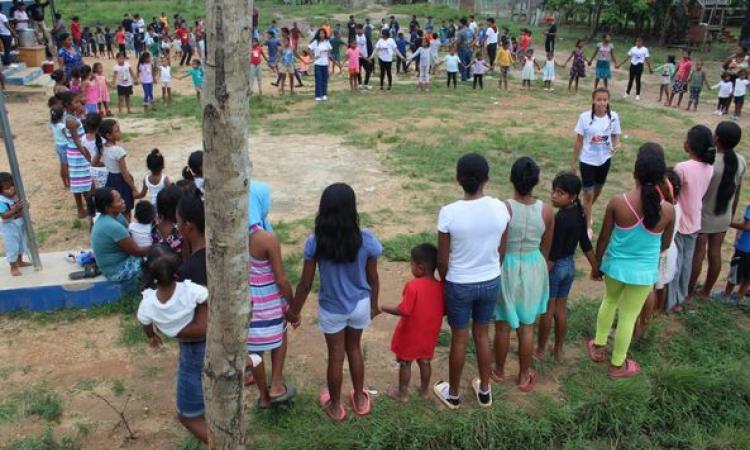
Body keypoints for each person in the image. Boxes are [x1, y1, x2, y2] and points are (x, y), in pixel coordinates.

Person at [287, 183, 382, 421]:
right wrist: (374, 304)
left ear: (324, 209)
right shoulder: (366, 239)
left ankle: (335, 406)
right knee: (355, 350)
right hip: (360, 304)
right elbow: (373, 278)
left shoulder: (315, 242)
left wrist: (294, 311)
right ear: (353, 209)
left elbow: (305, 284)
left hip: (332, 309)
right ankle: (360, 399)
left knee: (336, 356)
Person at [588, 144, 674, 377]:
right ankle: (617, 365)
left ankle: (598, 346)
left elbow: (604, 237)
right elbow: (665, 245)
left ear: (634, 174)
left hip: (615, 267)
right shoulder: (668, 210)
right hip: (644, 272)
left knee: (609, 301)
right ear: (661, 179)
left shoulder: (618, 202)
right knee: (628, 316)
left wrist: (597, 265)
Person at [433, 153, 511, 409]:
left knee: (459, 338)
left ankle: (453, 394)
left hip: (459, 283)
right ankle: (485, 391)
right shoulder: (501, 208)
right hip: (490, 280)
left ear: (458, 179)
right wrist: (489, 270)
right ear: (486, 178)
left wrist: (448, 281)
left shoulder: (449, 213)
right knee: (482, 335)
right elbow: (502, 250)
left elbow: (442, 261)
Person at [137, 244, 208, 444]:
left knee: (187, 414)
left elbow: (145, 323)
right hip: (201, 341)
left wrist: (152, 336)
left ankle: (225, 445)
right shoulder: (190, 290)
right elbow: (207, 298)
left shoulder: (148, 302)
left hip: (190, 350)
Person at [494, 157, 554, 392]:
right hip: (533, 265)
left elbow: (500, 245)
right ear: (536, 182)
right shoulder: (547, 211)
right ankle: (522, 376)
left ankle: (498, 371)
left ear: (511, 178)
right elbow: (546, 248)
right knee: (527, 326)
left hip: (507, 265)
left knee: (502, 325)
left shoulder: (504, 208)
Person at [536, 172, 599, 361]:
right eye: (554, 191)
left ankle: (539, 350)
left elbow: (553, 252)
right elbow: (586, 245)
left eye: (560, 193)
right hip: (569, 266)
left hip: (555, 267)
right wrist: (595, 267)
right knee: (561, 310)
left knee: (548, 310)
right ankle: (558, 349)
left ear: (572, 196)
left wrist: (541, 273)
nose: (554, 195)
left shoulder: (559, 219)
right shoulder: (580, 214)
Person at [247, 186, 296, 408]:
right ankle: (276, 384)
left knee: (254, 352)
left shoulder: (227, 236)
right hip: (270, 305)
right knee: (281, 333)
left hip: (246, 308)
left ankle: (263, 396)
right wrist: (292, 307)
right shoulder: (266, 238)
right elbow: (282, 280)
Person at [381, 243, 444, 401]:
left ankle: (402, 393)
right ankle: (424, 391)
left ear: (420, 267)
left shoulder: (413, 286)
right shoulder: (441, 287)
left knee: (405, 363)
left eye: (411, 264)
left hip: (411, 334)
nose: (411, 267)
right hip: (429, 333)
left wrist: (383, 307)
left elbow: (404, 310)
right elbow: (443, 310)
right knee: (425, 361)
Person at [690, 121, 744, 299]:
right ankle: (706, 291)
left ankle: (689, 293)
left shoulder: (710, 163)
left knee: (698, 254)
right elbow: (737, 192)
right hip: (723, 216)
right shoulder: (740, 161)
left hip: (704, 216)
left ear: (716, 138)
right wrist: (730, 215)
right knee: (715, 253)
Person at [667, 126, 715, 313]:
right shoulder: (709, 167)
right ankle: (680, 298)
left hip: (681, 222)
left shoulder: (682, 168)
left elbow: (673, 192)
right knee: (686, 262)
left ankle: (670, 301)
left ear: (691, 145)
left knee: (676, 263)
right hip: (695, 220)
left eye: (686, 138)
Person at [572, 88, 622, 237]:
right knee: (588, 193)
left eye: (605, 100)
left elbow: (616, 137)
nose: (602, 103)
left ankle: (586, 210)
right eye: (599, 99)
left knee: (597, 190)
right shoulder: (584, 117)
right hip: (587, 160)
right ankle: (587, 226)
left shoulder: (613, 117)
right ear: (593, 100)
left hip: (604, 160)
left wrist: (617, 144)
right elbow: (579, 140)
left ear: (608, 101)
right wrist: (573, 163)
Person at [90, 187, 148, 283]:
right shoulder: (112, 226)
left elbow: (130, 235)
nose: (123, 201)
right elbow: (137, 251)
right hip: (116, 271)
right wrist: (158, 246)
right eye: (119, 201)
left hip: (117, 263)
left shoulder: (116, 216)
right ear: (107, 207)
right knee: (156, 261)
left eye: (121, 198)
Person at [94, 119, 138, 220]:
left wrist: (106, 164)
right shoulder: (118, 151)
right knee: (125, 208)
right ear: (109, 135)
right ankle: (126, 229)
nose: (120, 132)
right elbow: (124, 173)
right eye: (117, 131)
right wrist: (134, 188)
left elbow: (94, 163)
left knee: (113, 206)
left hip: (109, 180)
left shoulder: (101, 147)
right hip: (120, 181)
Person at [60, 92, 92, 218]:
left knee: (81, 179)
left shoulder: (71, 116)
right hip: (78, 154)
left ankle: (85, 207)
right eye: (76, 102)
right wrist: (86, 155)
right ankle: (81, 209)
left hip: (75, 151)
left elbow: (65, 132)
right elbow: (77, 140)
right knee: (80, 180)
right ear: (68, 105)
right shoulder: (70, 120)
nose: (79, 104)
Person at [0, 172, 30, 276]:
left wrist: (26, 205)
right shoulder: (1, 200)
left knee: (21, 244)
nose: (11, 189)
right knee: (12, 247)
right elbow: (4, 215)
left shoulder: (16, 195)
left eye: (13, 185)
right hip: (9, 227)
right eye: (7, 188)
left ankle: (20, 261)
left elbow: (26, 206)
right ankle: (13, 267)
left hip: (20, 224)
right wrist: (15, 209)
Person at [308, 29, 332, 101]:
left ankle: (324, 94)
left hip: (325, 63)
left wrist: (328, 52)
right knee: (318, 79)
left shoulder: (327, 42)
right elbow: (308, 49)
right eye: (320, 34)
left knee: (325, 79)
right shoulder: (315, 42)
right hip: (318, 63)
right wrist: (312, 56)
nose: (322, 35)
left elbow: (330, 49)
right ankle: (318, 95)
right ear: (318, 34)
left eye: (323, 33)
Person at [49, 105, 68, 188]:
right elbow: (67, 136)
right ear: (62, 115)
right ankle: (69, 183)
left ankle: (65, 183)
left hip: (58, 146)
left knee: (62, 165)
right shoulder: (62, 126)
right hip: (65, 146)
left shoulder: (52, 124)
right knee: (67, 166)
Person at [355, 25, 373, 89]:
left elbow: (370, 47)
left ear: (362, 30)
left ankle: (366, 84)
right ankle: (359, 83)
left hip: (365, 57)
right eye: (357, 29)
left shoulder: (366, 37)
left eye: (359, 29)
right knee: (358, 71)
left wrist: (370, 57)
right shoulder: (355, 37)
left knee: (368, 71)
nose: (358, 31)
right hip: (357, 57)